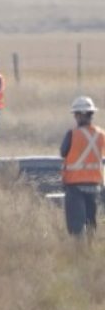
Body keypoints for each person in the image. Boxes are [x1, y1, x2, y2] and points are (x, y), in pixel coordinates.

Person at [60, 96, 105, 237]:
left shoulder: (72, 134)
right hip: (95, 185)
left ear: (79, 115)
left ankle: (79, 253)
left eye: (75, 114)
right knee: (91, 223)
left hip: (75, 185)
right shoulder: (101, 134)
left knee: (76, 227)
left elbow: (63, 152)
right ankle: (89, 251)